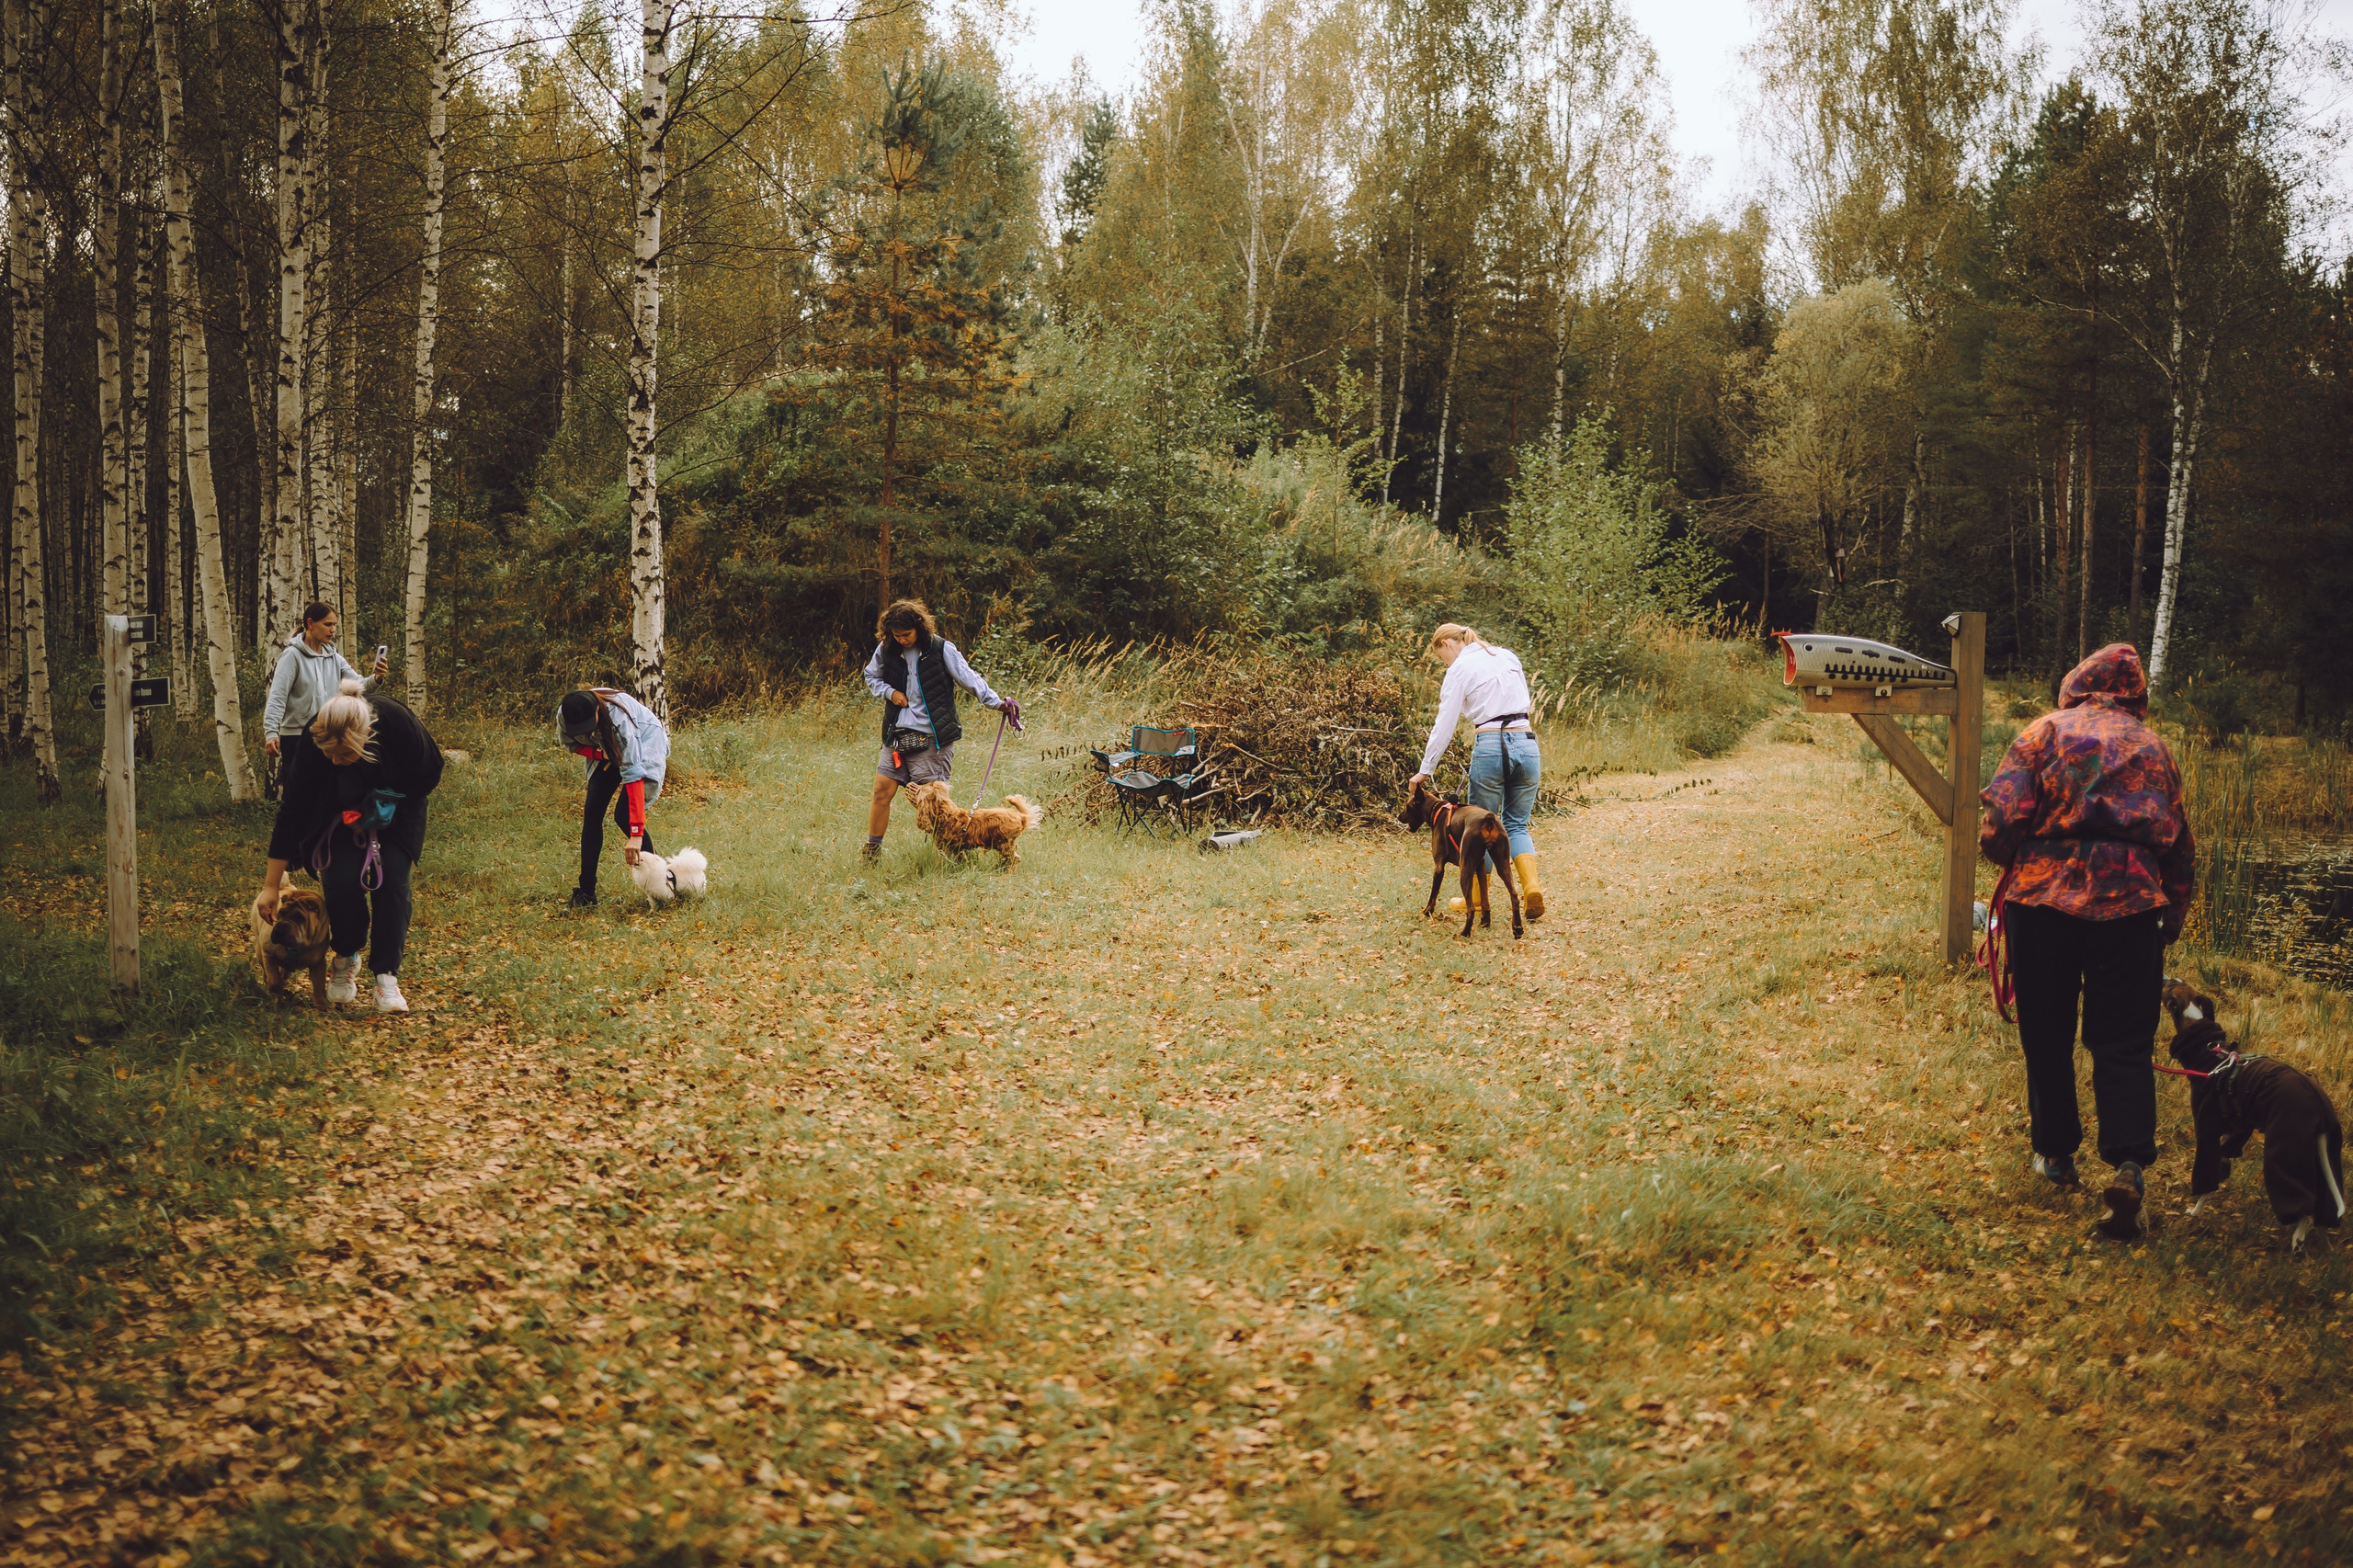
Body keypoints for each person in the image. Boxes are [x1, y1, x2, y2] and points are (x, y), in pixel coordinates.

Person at [1981, 642, 2194, 1240]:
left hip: (2042, 903)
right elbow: (2179, 845)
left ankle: (2055, 1156)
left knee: (2045, 1033)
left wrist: (2015, 861)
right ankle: (2127, 1165)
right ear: (2135, 693)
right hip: (2130, 907)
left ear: (2077, 682)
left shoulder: (2042, 733)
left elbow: (1998, 822)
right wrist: (2171, 916)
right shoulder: (2154, 748)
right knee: (2123, 1041)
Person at [259, 679, 445, 1013]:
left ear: (366, 736)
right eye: (328, 754)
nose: (334, 760)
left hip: (399, 808)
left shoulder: (396, 723)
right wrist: (271, 885)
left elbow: (429, 773)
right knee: (341, 880)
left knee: (391, 883)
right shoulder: (315, 737)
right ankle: (346, 955)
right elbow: (294, 808)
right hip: (334, 815)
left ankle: (386, 976)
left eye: (343, 753)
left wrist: (379, 808)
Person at [861, 599, 1019, 860]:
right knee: (881, 791)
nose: (901, 640)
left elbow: (968, 678)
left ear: (919, 628)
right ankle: (871, 853)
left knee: (936, 805)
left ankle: (957, 855)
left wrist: (997, 703)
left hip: (932, 737)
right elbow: (871, 676)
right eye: (896, 635)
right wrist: (889, 692)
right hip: (896, 736)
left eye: (906, 634)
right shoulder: (886, 648)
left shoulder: (941, 648)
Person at [1407, 623, 1545, 920]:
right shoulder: (1508, 656)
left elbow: (1445, 724)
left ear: (1446, 643)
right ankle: (1531, 887)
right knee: (1516, 824)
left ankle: (1478, 900)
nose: (1445, 664)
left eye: (1442, 658)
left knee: (1479, 825)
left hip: (1491, 744)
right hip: (1526, 742)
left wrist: (1425, 770)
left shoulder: (1459, 669)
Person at [560, 687, 670, 907]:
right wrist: (601, 753)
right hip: (605, 746)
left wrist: (636, 834)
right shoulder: (565, 714)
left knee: (623, 815)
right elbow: (571, 744)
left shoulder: (621, 722)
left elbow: (633, 775)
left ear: (598, 712)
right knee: (592, 811)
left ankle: (661, 888)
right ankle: (586, 894)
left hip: (645, 739)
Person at [262, 601, 385, 797]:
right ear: (310, 624)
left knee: (327, 791)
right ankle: (295, 828)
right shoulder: (292, 656)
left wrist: (377, 677)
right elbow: (277, 697)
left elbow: (360, 685)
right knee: (299, 793)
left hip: (327, 734)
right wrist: (271, 733)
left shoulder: (333, 657)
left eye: (335, 625)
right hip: (297, 737)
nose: (333, 630)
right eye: (328, 624)